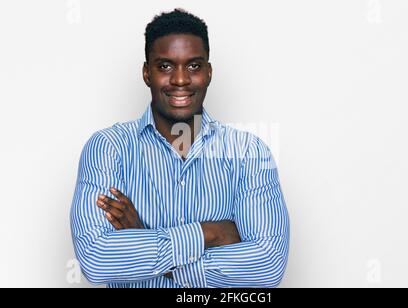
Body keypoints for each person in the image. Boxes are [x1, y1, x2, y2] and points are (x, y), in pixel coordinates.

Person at [70, 8, 289, 288]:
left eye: (194, 66)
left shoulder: (248, 153)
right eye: (165, 66)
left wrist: (141, 237)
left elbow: (267, 267)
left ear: (209, 72)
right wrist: (210, 233)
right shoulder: (108, 148)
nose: (181, 80)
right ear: (146, 73)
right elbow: (96, 261)